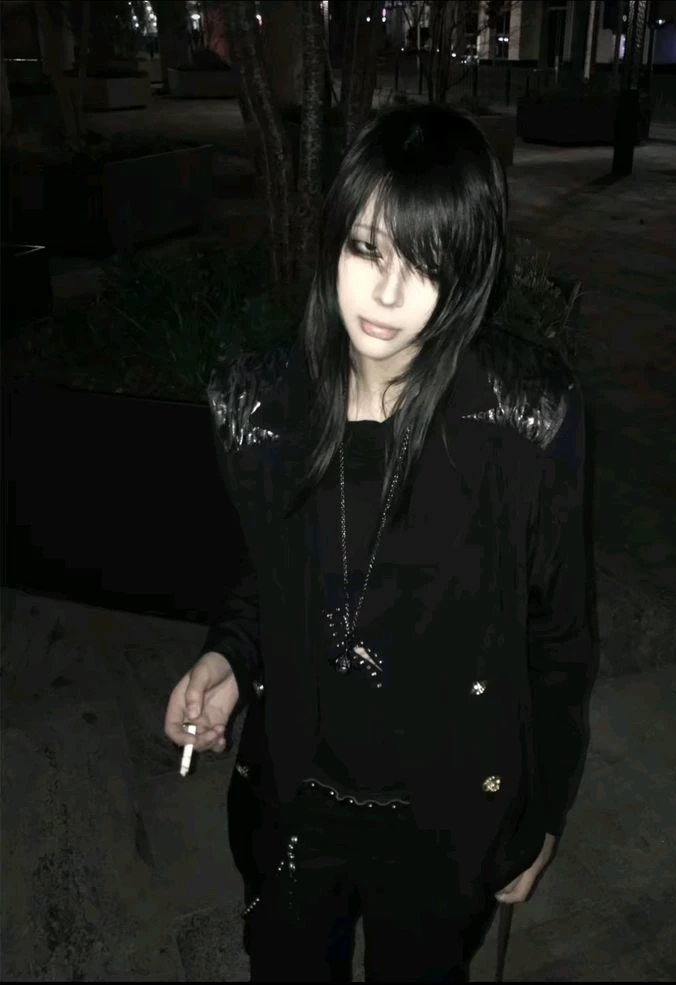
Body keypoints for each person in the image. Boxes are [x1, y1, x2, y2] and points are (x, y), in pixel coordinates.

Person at [164, 103, 595, 982]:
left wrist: (540, 812)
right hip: (299, 804)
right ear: (335, 243)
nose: (388, 294)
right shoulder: (260, 413)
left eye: (425, 263)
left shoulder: (524, 425)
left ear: (468, 274)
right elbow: (269, 578)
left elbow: (559, 638)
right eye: (368, 249)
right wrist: (229, 657)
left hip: (444, 818)